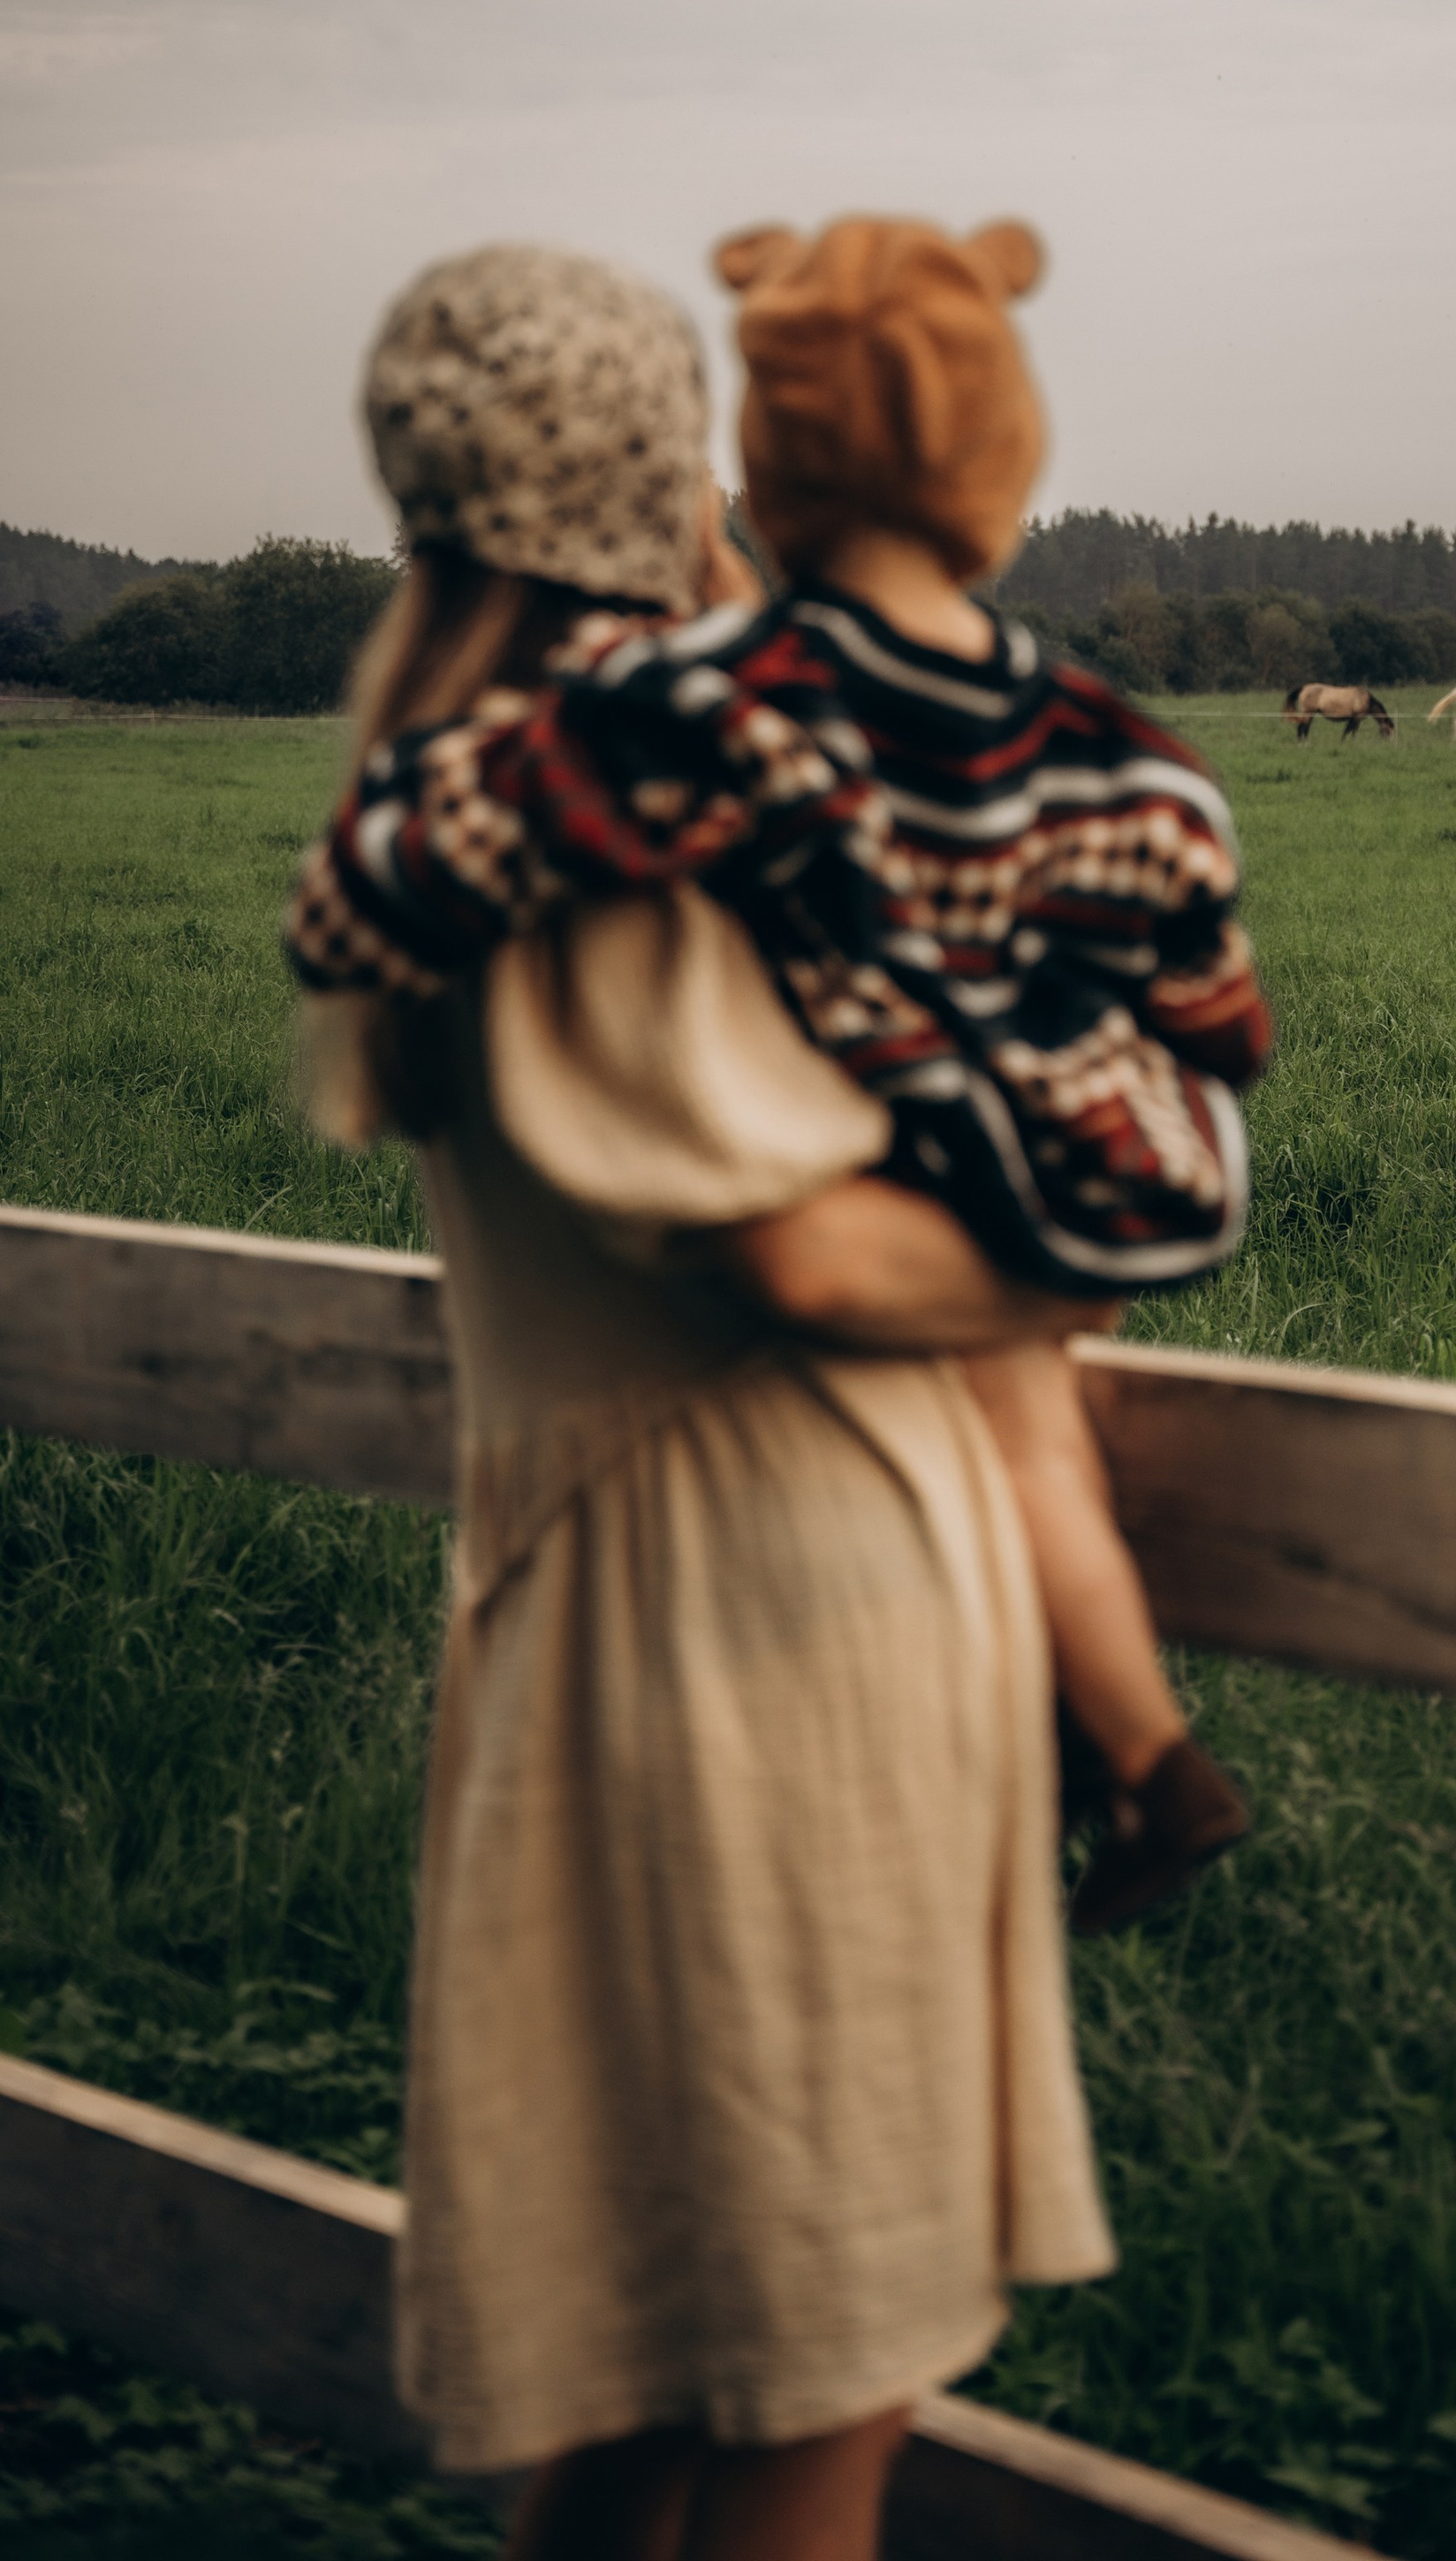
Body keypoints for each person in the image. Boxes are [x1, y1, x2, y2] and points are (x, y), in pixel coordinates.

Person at [294, 244, 1116, 2561]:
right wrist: (1110, 1222)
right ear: (674, 485)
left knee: (667, 2372)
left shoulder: (457, 803)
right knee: (813, 2393)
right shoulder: (610, 831)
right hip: (770, 1630)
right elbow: (808, 1242)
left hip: (627, 1594)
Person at [292, 214, 1268, 1932]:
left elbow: (367, 890)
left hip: (666, 1599)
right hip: (829, 1541)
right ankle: (1126, 1734)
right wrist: (1098, 1211)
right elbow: (1206, 1024)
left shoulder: (688, 748)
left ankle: (1117, 1739)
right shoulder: (1125, 759)